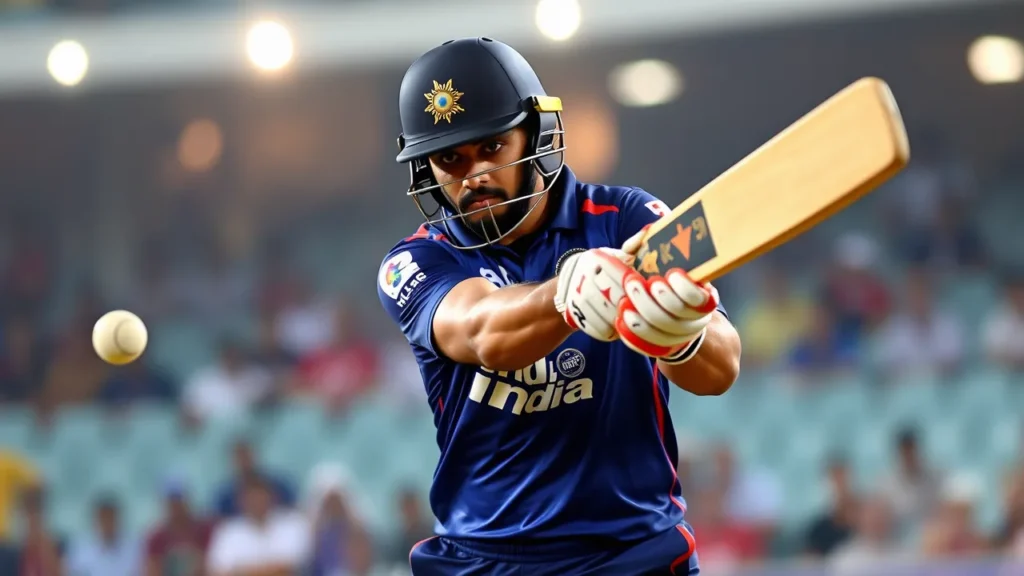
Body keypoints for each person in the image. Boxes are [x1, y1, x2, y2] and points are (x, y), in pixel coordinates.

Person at [377, 37, 742, 575]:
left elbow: (723, 365)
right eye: (450, 159)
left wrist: (680, 337)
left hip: (633, 555)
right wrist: (568, 291)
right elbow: (482, 333)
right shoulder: (414, 260)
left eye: (492, 147)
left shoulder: (630, 218)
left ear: (537, 135)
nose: (474, 175)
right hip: (487, 562)